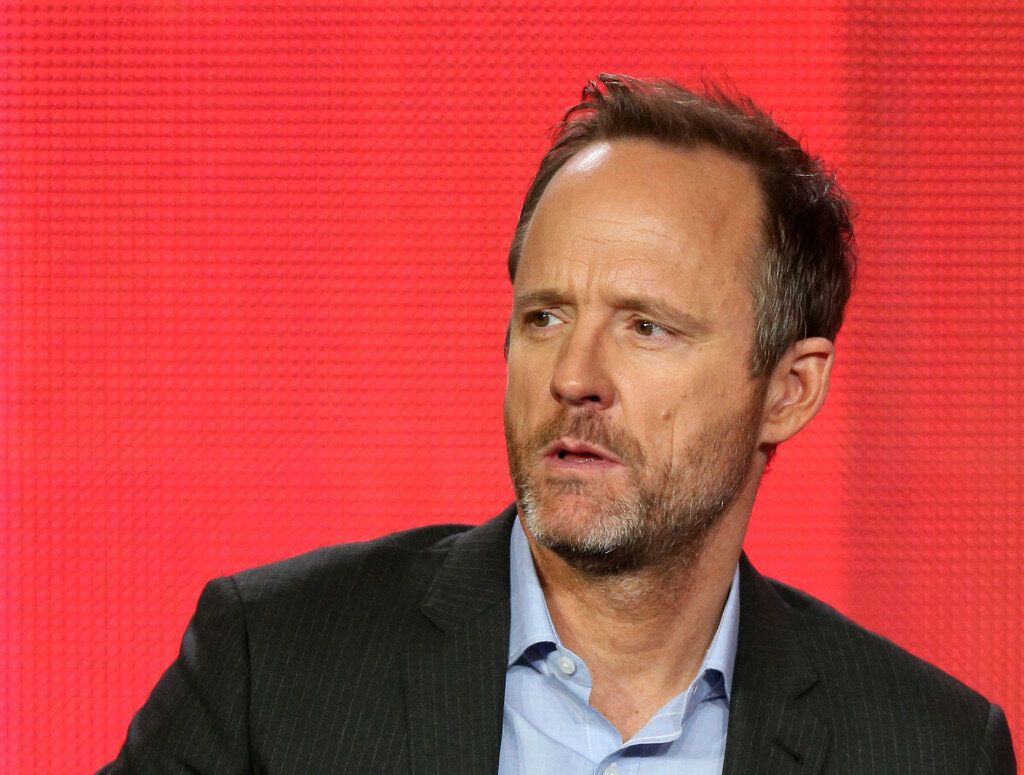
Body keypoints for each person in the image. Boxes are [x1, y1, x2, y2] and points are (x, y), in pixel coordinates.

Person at [100, 74, 1016, 774]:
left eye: (646, 327)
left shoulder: (928, 747)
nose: (574, 377)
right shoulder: (274, 663)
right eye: (544, 317)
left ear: (789, 389)